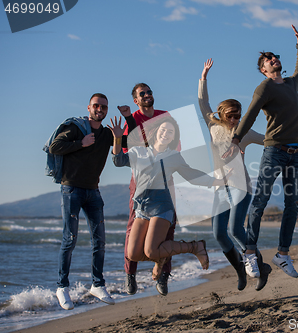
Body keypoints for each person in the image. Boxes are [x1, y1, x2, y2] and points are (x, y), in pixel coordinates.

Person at [224, 25, 298, 279]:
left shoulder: (292, 83)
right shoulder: (265, 87)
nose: (273, 60)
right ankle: (249, 252)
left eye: (274, 56)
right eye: (268, 60)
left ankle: (282, 254)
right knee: (260, 201)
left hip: (296, 152)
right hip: (274, 151)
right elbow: (250, 114)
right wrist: (236, 138)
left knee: (292, 204)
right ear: (264, 69)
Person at [112, 115, 230, 281]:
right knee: (133, 254)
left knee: (151, 250)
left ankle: (195, 247)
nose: (166, 133)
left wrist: (217, 181)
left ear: (174, 137)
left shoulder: (174, 156)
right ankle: (161, 258)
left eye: (170, 132)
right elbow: (118, 161)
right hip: (141, 208)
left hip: (162, 206)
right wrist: (117, 139)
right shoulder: (138, 151)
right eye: (163, 129)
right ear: (156, 132)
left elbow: (192, 175)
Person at [49, 93, 134, 310]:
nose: (100, 110)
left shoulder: (107, 134)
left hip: (93, 192)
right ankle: (62, 287)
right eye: (96, 106)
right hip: (71, 189)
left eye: (104, 107)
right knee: (70, 238)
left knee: (100, 241)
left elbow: (132, 141)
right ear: (89, 108)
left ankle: (97, 284)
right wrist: (81, 143)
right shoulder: (77, 128)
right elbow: (55, 147)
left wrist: (125, 122)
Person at [199, 58, 271, 291]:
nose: (235, 119)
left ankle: (259, 264)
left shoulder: (245, 132)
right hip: (220, 187)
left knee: (234, 229)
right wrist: (204, 78)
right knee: (219, 234)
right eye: (231, 115)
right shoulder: (213, 126)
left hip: (241, 186)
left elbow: (268, 140)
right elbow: (203, 102)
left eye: (238, 115)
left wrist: (281, 124)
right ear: (221, 114)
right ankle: (241, 269)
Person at [122, 83, 179, 296]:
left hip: (166, 177)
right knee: (133, 226)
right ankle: (130, 274)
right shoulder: (134, 119)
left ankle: (163, 274)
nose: (147, 95)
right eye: (142, 93)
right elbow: (129, 151)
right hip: (142, 180)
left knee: (169, 225)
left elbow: (175, 142)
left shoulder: (165, 115)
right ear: (136, 100)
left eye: (149, 92)